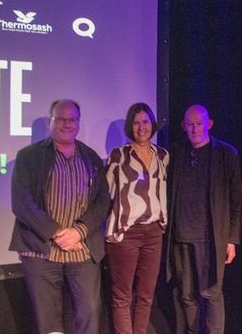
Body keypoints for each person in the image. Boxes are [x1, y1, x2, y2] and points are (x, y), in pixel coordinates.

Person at [9, 99, 110, 334]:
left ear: (78, 122)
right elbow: (22, 203)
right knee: (48, 321)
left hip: (82, 249)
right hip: (41, 250)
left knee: (90, 313)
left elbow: (103, 200)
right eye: (61, 119)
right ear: (49, 121)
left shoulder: (91, 157)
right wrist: (56, 232)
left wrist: (79, 232)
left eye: (72, 119)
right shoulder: (28, 157)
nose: (67, 124)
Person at [168, 104, 242, 334]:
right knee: (186, 295)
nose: (195, 129)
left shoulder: (226, 154)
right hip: (181, 237)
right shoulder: (176, 153)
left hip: (211, 238)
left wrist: (231, 239)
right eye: (190, 124)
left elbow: (235, 200)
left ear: (209, 124)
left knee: (211, 293)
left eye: (200, 124)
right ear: (183, 126)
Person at [105, 103, 169, 334]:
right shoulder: (118, 155)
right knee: (122, 296)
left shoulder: (162, 155)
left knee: (146, 296)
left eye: (145, 122)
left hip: (153, 233)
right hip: (125, 233)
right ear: (130, 126)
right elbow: (105, 194)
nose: (141, 127)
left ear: (152, 124)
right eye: (136, 122)